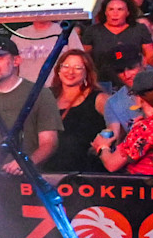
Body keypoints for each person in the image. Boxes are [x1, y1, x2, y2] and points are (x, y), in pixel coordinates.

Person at [0, 36, 59, 172]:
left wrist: (26, 162)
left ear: (16, 61)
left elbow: (49, 143)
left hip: (23, 179)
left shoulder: (40, 94)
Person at [99, 69, 153, 175]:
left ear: (139, 98)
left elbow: (111, 165)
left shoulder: (145, 128)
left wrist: (102, 147)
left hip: (142, 183)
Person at [38, 46, 110, 175]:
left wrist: (104, 144)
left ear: (87, 72)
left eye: (78, 68)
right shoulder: (46, 96)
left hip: (85, 173)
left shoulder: (99, 98)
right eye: (66, 66)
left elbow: (118, 126)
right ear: (58, 70)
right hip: (48, 171)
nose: (70, 72)